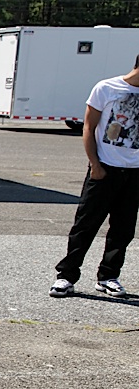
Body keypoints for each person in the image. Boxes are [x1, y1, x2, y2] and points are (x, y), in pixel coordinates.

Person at [49, 55, 139, 298]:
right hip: (105, 168)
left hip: (135, 172)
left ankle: (109, 276)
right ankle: (66, 276)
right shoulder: (107, 87)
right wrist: (95, 164)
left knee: (123, 229)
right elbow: (88, 127)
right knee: (85, 225)